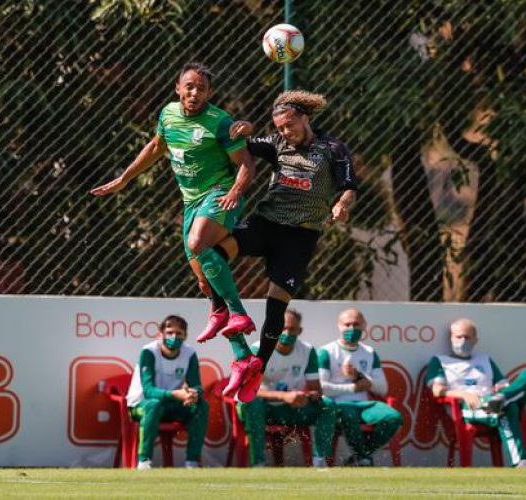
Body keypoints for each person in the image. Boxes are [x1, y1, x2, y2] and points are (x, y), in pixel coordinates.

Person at [91, 62, 263, 402]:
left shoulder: (220, 122)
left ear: (210, 93)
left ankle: (237, 313)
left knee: (198, 242)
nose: (194, 93)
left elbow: (246, 164)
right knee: (204, 279)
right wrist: (124, 179)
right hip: (191, 204)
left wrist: (234, 192)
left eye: (201, 88)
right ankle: (244, 355)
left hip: (219, 196)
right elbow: (156, 148)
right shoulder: (168, 115)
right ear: (178, 88)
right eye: (189, 86)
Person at [195, 90, 359, 385]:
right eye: (280, 128)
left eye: (290, 126)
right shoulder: (276, 143)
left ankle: (256, 368)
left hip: (299, 238)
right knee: (212, 254)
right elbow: (236, 146)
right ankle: (224, 311)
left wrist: (341, 205)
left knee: (277, 307)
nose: (285, 132)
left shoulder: (333, 148)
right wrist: (246, 127)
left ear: (305, 119)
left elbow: (350, 186)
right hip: (265, 224)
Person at [426, 318, 526, 468]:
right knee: (508, 408)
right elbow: (437, 391)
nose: (462, 341)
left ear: (475, 340)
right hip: (467, 408)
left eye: (467, 337)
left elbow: (503, 384)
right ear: (451, 338)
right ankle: (521, 462)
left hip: (492, 400)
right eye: (458, 337)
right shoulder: (441, 361)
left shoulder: (485, 360)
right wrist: (463, 395)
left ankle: (503, 398)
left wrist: (501, 391)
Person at [239, 308, 337, 467]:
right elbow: (247, 390)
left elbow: (316, 390)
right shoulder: (258, 349)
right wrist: (283, 396)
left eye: (292, 329)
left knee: (328, 405)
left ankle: (320, 462)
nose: (287, 332)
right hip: (264, 408)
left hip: (292, 409)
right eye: (282, 328)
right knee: (251, 403)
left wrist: (304, 397)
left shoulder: (307, 350)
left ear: (300, 331)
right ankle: (258, 464)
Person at [318, 309, 402, 466]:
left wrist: (359, 376)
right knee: (348, 414)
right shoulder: (326, 352)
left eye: (356, 324)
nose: (351, 328)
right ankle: (362, 458)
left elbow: (382, 388)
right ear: (339, 326)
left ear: (364, 326)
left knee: (393, 417)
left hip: (364, 405)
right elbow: (321, 388)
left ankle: (360, 456)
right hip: (337, 405)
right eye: (347, 324)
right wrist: (353, 388)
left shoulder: (369, 352)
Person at [125, 315, 209, 470]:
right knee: (154, 405)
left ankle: (192, 463)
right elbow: (148, 390)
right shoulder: (149, 352)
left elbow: (196, 385)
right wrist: (174, 394)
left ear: (185, 336)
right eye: (169, 332)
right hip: (141, 405)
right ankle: (144, 462)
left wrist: (194, 394)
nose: (174, 336)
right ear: (160, 334)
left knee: (201, 405)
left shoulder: (189, 353)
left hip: (171, 405)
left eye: (179, 333)